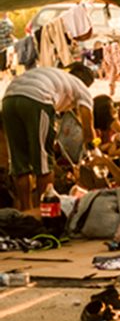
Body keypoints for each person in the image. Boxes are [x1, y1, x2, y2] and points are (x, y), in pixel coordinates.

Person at [1, 66, 94, 213]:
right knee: (43, 161)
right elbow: (88, 131)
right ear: (88, 83)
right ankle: (42, 212)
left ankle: (26, 211)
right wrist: (92, 150)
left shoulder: (57, 76)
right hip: (37, 98)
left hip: (9, 99)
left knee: (19, 162)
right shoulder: (82, 88)